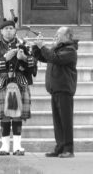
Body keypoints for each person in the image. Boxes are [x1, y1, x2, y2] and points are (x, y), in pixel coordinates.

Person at [0, 18, 37, 156]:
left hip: (20, 82)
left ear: (15, 30)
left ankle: (18, 146)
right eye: (6, 29)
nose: (9, 31)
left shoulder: (23, 44)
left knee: (18, 115)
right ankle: (5, 146)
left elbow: (33, 65)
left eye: (11, 28)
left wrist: (24, 59)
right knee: (4, 116)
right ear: (1, 31)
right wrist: (5, 58)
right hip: (2, 82)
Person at [33, 26, 78, 158]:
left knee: (66, 121)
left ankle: (69, 149)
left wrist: (43, 47)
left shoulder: (70, 50)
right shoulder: (57, 49)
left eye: (58, 34)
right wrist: (37, 47)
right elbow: (44, 57)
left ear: (67, 37)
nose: (55, 37)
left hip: (64, 90)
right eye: (56, 34)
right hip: (55, 90)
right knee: (58, 122)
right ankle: (60, 147)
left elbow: (54, 58)